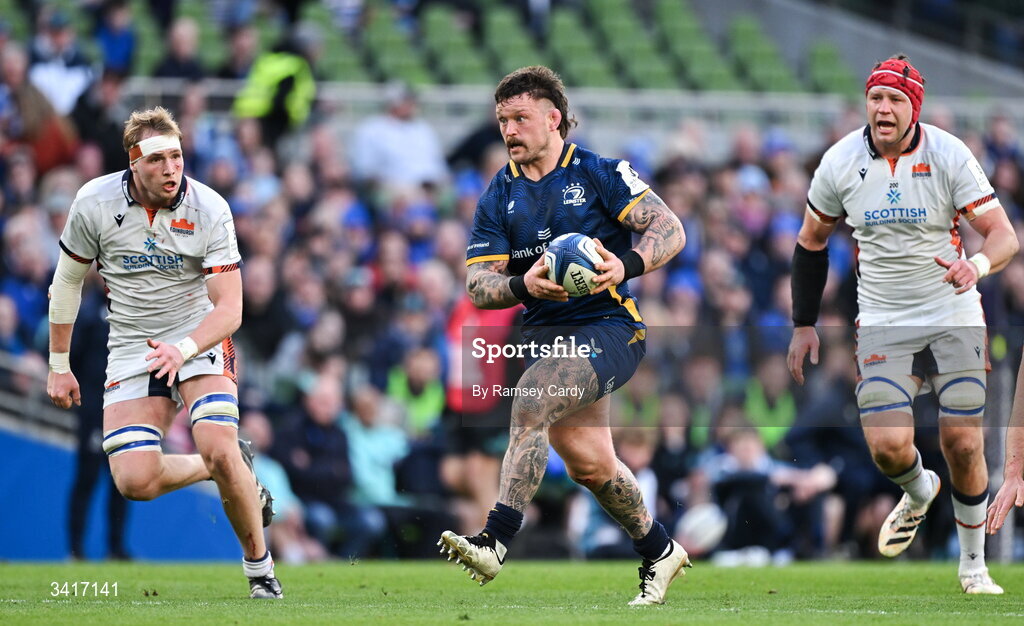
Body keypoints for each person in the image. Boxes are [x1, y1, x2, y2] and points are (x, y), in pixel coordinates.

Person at [437, 66, 688, 605]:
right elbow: (478, 286)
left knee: (530, 397)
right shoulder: (498, 193)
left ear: (554, 119)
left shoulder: (599, 172)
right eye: (502, 119)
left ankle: (495, 541)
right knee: (590, 464)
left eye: (520, 118)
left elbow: (671, 228)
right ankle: (661, 550)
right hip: (546, 336)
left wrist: (626, 265)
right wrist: (521, 284)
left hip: (610, 326)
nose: (509, 129)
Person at [787, 55, 1018, 594]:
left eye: (894, 100)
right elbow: (810, 242)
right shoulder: (840, 162)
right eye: (875, 98)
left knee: (963, 442)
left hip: (952, 311)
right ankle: (918, 489)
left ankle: (973, 566)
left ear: (914, 107)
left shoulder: (949, 154)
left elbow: (1004, 236)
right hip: (885, 319)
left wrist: (976, 265)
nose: (883, 108)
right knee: (889, 447)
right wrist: (803, 322)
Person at [45, 106, 282, 599]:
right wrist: (59, 364)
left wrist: (185, 347)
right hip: (132, 343)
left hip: (199, 336)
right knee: (135, 480)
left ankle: (261, 574)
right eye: (158, 160)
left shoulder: (210, 207)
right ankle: (230, 465)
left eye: (177, 155)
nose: (172, 168)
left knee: (215, 441)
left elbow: (231, 307)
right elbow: (66, 282)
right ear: (133, 163)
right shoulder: (93, 202)